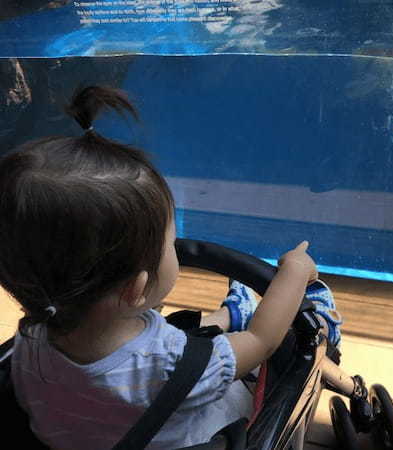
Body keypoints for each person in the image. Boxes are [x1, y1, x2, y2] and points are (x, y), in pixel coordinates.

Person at [0, 86, 343, 449]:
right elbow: (261, 339)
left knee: (166, 334)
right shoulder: (170, 367)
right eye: (170, 242)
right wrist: (293, 271)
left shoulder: (31, 339)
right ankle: (313, 320)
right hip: (199, 430)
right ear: (135, 289)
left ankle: (227, 318)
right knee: (270, 352)